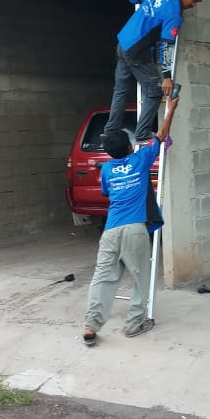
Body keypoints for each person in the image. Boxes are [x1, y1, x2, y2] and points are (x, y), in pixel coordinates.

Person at [83, 95, 180, 346]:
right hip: (135, 230)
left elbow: (106, 192)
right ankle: (134, 323)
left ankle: (91, 326)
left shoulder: (106, 170)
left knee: (103, 277)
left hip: (111, 230)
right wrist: (170, 110)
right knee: (141, 278)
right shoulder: (140, 160)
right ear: (129, 147)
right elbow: (160, 135)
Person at [103, 0, 206, 145]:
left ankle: (110, 131)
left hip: (123, 43)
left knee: (120, 91)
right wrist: (166, 76)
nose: (194, 5)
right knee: (155, 92)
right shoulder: (174, 14)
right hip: (137, 51)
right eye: (194, 0)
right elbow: (166, 47)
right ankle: (142, 134)